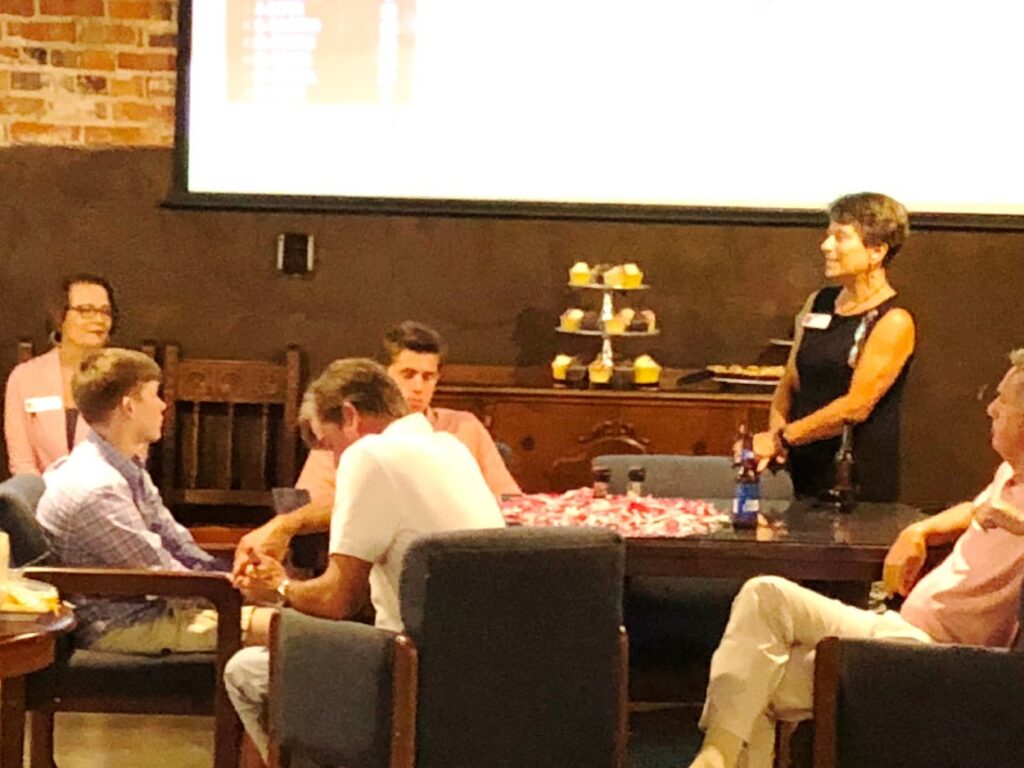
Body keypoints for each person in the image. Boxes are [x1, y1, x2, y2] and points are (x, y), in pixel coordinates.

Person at [688, 348, 1024, 768]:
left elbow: (1006, 517)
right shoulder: (1009, 474)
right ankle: (716, 756)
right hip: (901, 632)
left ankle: (714, 756)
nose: (990, 409)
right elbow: (977, 509)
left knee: (762, 633)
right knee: (759, 654)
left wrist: (1016, 523)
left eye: (1003, 401)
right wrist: (919, 529)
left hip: (944, 660)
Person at [224, 358, 505, 761]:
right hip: (480, 669)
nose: (337, 461)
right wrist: (288, 524)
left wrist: (278, 588)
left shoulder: (368, 455)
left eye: (331, 444)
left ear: (351, 416)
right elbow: (370, 504)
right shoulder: (448, 447)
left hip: (411, 673)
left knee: (248, 670)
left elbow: (338, 601)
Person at [231, 320, 518, 574]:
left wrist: (281, 587)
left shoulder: (459, 432)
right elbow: (312, 501)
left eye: (428, 377)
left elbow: (510, 502)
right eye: (408, 374)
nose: (418, 387)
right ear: (384, 377)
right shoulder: (346, 436)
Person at [35, 348, 262, 653]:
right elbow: (159, 573)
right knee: (281, 629)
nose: (164, 405)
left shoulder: (125, 467)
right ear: (128, 406)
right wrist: (243, 590)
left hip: (155, 608)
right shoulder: (96, 487)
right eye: (155, 395)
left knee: (282, 616)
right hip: (120, 626)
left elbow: (174, 541)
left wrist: (234, 573)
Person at [753, 193, 914, 501]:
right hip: (800, 470)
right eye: (828, 236)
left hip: (854, 480)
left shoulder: (893, 320)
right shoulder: (820, 302)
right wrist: (777, 435)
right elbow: (790, 380)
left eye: (840, 238)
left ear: (876, 251)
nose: (826, 246)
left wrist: (784, 438)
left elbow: (856, 406)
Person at [5, 274, 117, 475]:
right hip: (39, 500)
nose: (98, 320)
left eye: (105, 312)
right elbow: (22, 463)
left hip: (106, 500)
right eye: (86, 311)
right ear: (60, 317)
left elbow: (129, 461)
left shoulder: (123, 377)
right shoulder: (24, 378)